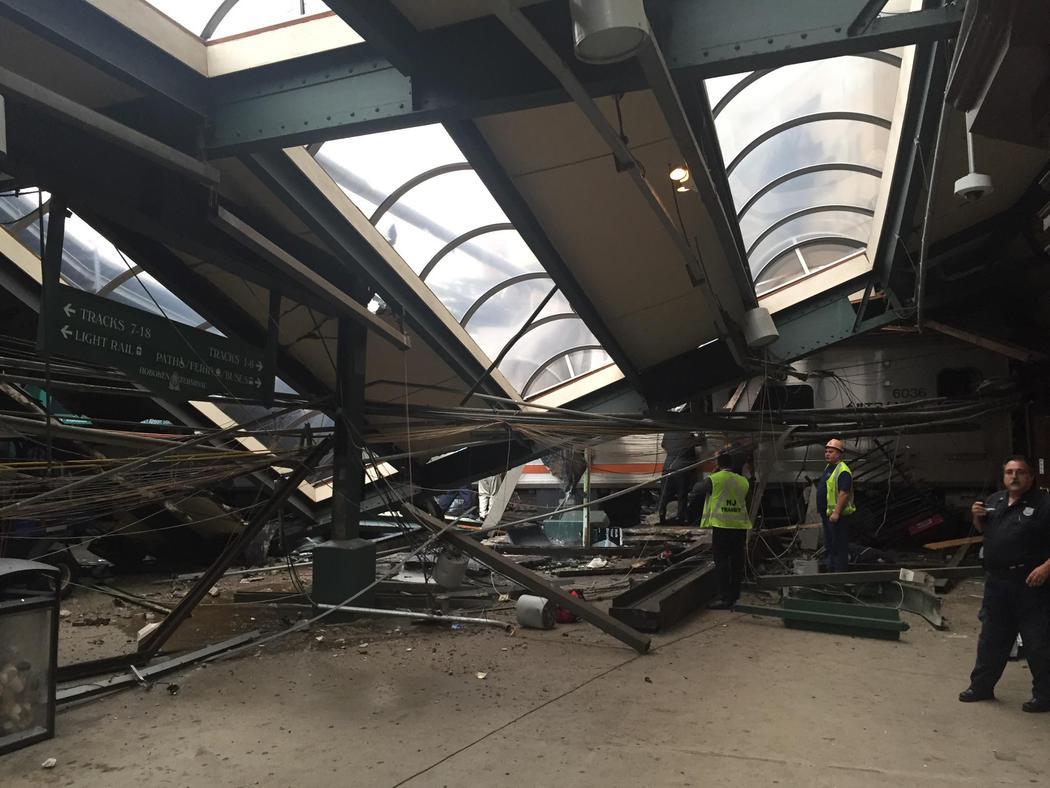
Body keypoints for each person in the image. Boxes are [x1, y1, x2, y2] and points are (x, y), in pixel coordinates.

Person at [959, 456, 1050, 712]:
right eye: (1009, 472)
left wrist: (1046, 568)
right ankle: (981, 687)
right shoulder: (995, 501)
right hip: (998, 583)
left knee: (1037, 641)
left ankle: (1044, 695)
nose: (1014, 476)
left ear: (1031, 476)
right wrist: (977, 518)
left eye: (1020, 472)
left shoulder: (1044, 505)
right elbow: (988, 533)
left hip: (1031, 584)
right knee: (991, 638)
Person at [696, 450, 751, 609]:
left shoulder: (715, 479)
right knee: (737, 562)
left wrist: (713, 473)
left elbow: (697, 489)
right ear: (732, 465)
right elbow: (746, 498)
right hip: (740, 527)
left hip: (722, 527)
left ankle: (724, 597)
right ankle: (735, 594)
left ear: (718, 464)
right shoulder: (743, 481)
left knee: (721, 562)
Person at [817, 438, 854, 572]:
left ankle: (839, 573)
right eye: (826, 451)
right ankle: (830, 568)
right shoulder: (829, 467)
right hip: (828, 514)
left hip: (838, 516)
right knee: (830, 544)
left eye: (831, 451)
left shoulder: (843, 471)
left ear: (839, 454)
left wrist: (836, 512)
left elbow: (843, 493)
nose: (827, 454)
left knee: (838, 545)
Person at [657, 432, 698, 523]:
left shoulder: (668, 434)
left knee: (664, 494)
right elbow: (698, 442)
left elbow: (663, 445)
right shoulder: (687, 434)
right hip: (682, 468)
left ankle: (661, 517)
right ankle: (680, 517)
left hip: (667, 466)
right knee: (682, 494)